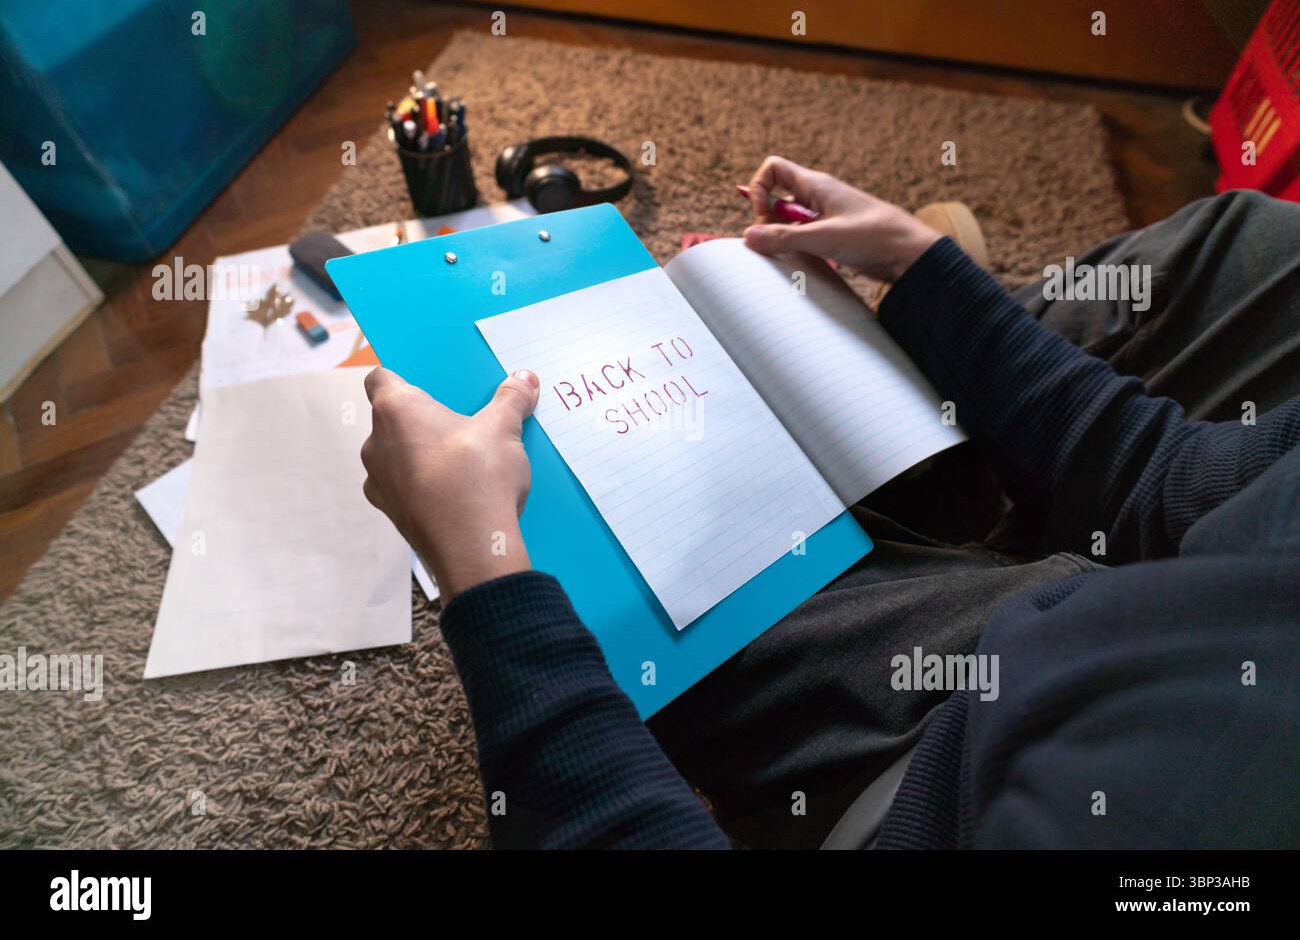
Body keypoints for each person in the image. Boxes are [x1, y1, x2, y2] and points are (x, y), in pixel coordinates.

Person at [359, 157, 1299, 849]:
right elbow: (1179, 478)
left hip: (976, 746)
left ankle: (942, 470)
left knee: (677, 537)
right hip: (1168, 624)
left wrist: (482, 576)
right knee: (1253, 244)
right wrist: (922, 261)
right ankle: (953, 436)